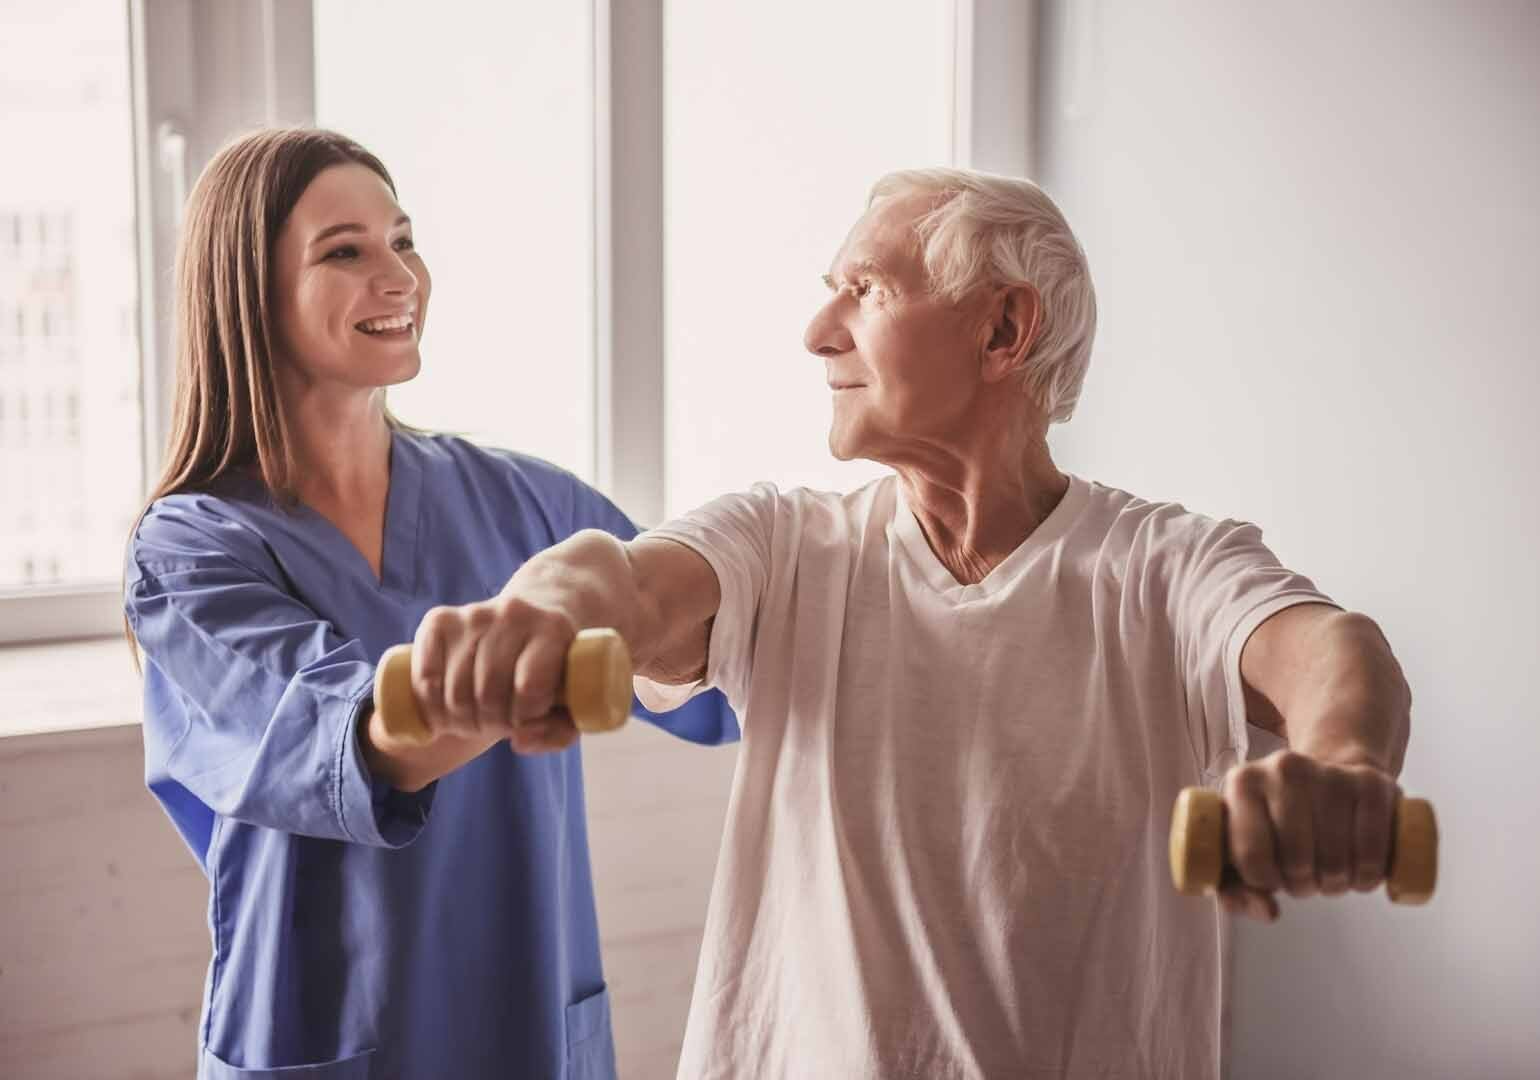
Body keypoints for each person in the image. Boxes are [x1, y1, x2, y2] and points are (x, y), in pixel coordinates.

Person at [404, 168, 1414, 1078]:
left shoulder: (1163, 565)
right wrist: (539, 611)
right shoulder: (786, 543)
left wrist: (1340, 763)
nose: (818, 332)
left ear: (1002, 331)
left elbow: (1329, 648)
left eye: (867, 290)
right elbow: (626, 583)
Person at [122, 127, 737, 1080]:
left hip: (532, 1023)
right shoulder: (190, 549)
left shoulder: (529, 503)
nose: (400, 276)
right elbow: (358, 740)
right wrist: (535, 671)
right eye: (345, 252)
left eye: (403, 241)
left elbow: (721, 667)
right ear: (249, 290)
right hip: (323, 1032)